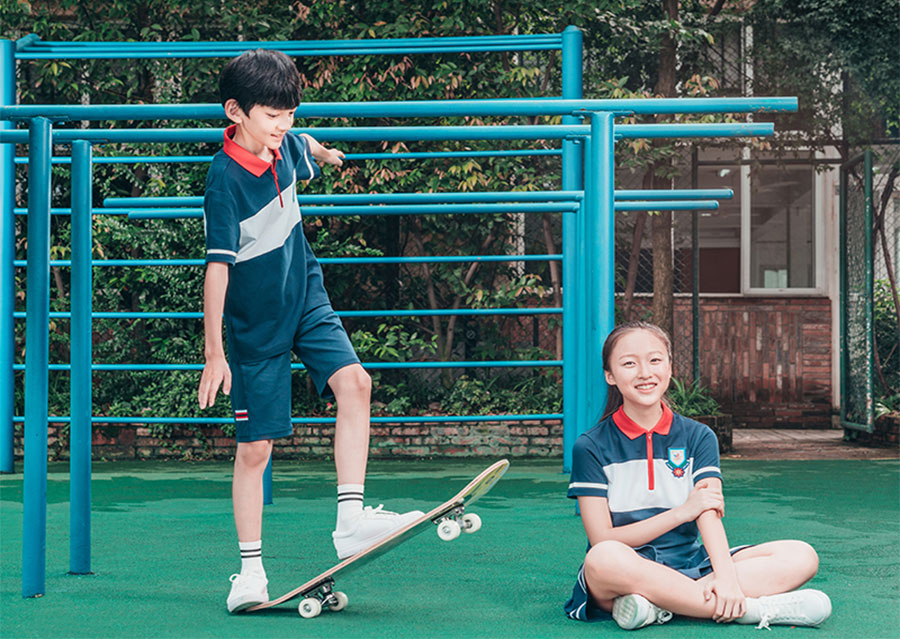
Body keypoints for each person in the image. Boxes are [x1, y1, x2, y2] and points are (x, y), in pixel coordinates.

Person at [197, 49, 422, 613]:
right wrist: (214, 353)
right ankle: (250, 572)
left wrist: (326, 152)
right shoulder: (224, 181)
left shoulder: (288, 145)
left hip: (305, 295)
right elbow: (217, 269)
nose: (283, 125)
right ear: (236, 112)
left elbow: (306, 144)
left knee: (356, 383)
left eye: (290, 113)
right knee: (257, 449)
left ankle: (351, 522)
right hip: (256, 325)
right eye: (272, 115)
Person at [564, 321, 832, 630]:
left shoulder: (698, 436)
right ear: (610, 375)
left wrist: (726, 577)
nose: (645, 373)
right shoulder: (590, 446)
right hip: (627, 568)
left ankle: (658, 606)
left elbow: (708, 512)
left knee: (801, 555)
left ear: (669, 366)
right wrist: (681, 513)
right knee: (603, 559)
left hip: (692, 565)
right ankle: (751, 610)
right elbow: (603, 538)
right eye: (629, 364)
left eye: (654, 360)